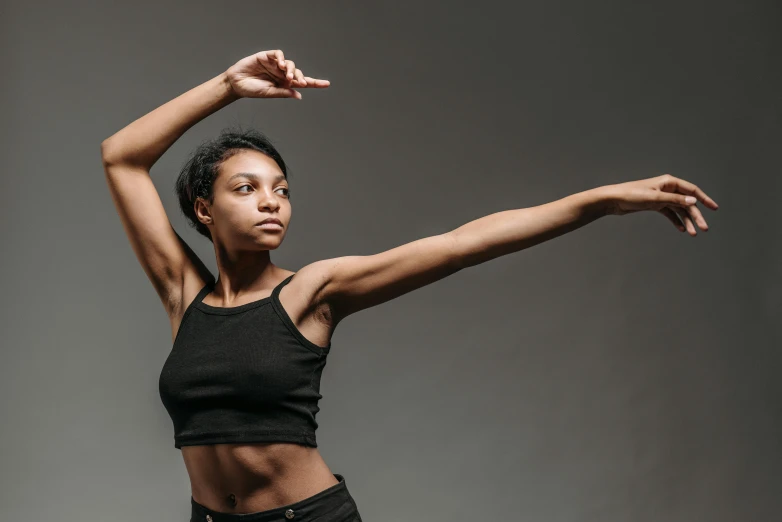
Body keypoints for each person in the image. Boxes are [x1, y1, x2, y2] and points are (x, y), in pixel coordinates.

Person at [100, 49, 718, 522]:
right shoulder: (185, 294)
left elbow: (461, 244)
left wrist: (604, 200)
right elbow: (121, 156)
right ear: (203, 209)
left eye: (282, 190)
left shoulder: (313, 291)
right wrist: (229, 87)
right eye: (247, 188)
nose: (272, 203)